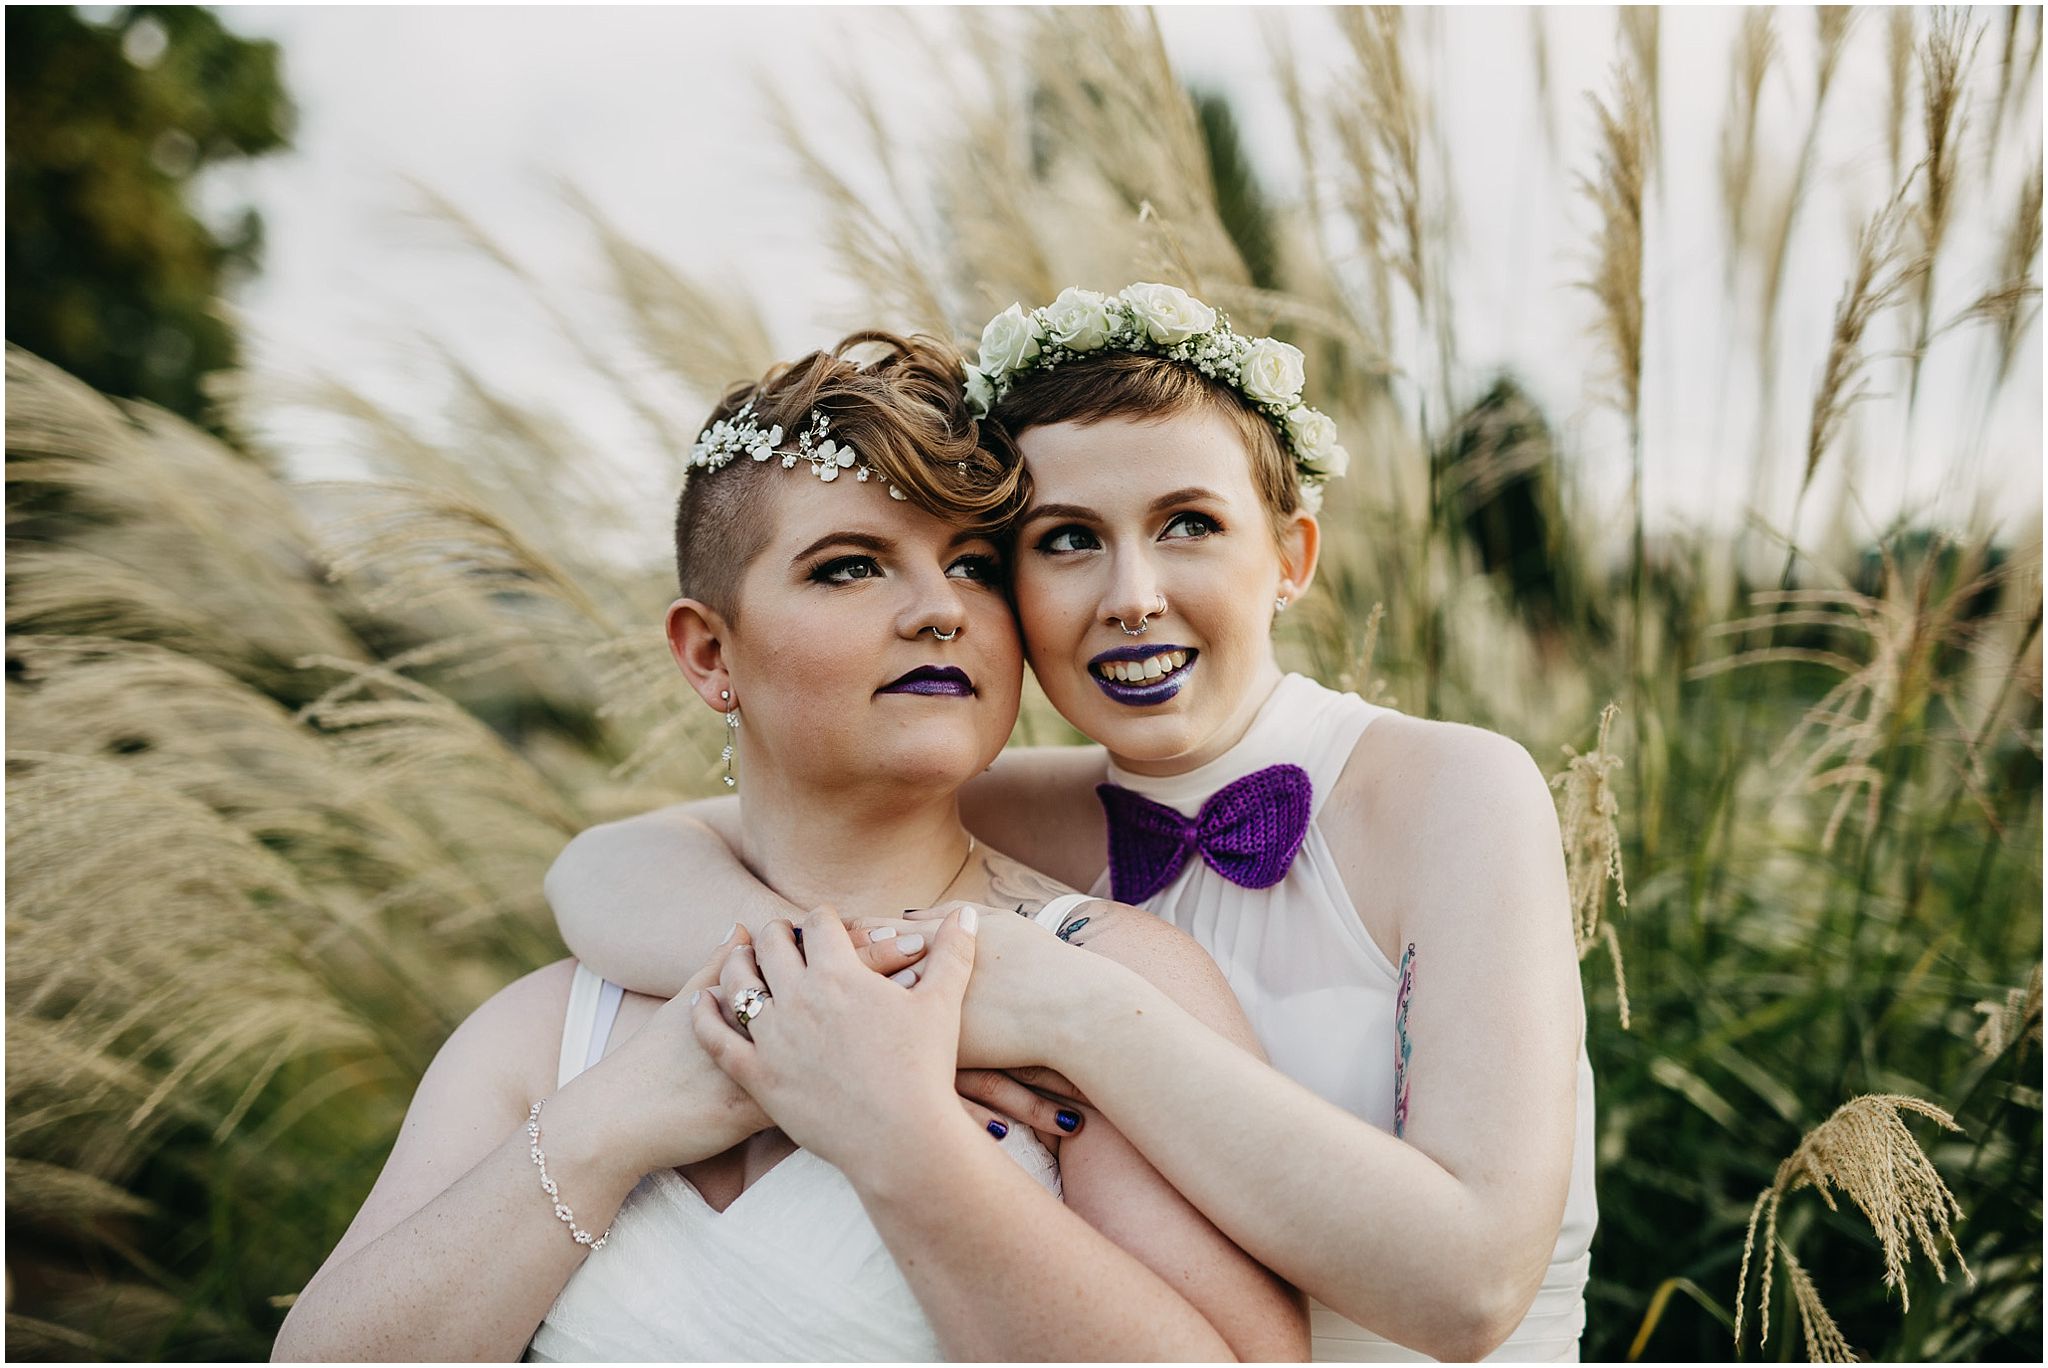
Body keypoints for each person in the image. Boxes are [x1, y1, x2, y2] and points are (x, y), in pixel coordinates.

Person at [550, 285, 1599, 1362]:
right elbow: (606, 868)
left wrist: (1070, 1015)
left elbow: (1468, 1291)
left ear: (1289, 557)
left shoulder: (1447, 791)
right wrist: (852, 990)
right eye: (1065, 540)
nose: (1129, 594)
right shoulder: (1033, 806)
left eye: (1187, 524)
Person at [273, 331, 1306, 1362]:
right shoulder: (554, 1030)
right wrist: (617, 1120)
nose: (940, 610)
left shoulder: (1101, 978)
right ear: (708, 652)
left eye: (973, 565)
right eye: (850, 566)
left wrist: (897, 1135)